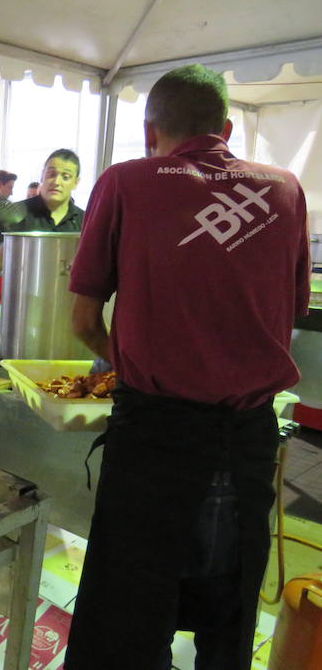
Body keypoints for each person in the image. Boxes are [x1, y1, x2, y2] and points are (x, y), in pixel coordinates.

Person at [65, 64, 310, 669]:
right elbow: (294, 310)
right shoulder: (285, 189)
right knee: (229, 612)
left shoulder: (124, 183)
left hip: (154, 436)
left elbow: (82, 319)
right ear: (226, 127)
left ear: (151, 133)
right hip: (248, 439)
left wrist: (130, 366)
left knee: (129, 612)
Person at [0, 149, 83, 275]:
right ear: (42, 175)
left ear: (75, 182)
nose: (57, 182)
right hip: (20, 292)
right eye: (51, 174)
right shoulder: (16, 213)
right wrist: (14, 243)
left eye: (65, 177)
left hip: (67, 294)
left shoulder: (86, 221)